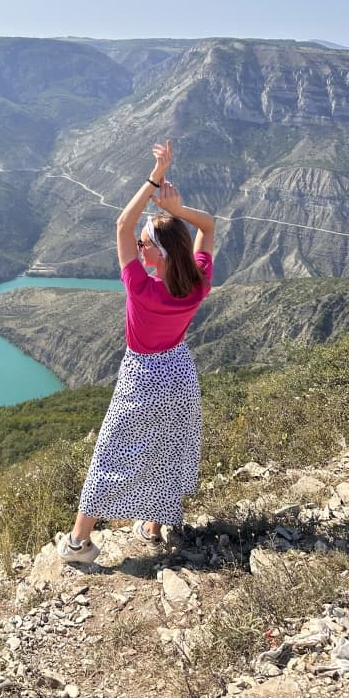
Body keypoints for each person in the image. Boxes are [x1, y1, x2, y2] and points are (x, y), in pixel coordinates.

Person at [56, 139, 215, 563]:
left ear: (156, 256)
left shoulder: (142, 289)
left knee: (112, 452)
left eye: (145, 244)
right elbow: (209, 227)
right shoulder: (197, 281)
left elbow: (121, 226)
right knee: (168, 447)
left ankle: (78, 543)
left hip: (143, 376)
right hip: (180, 373)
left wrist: (155, 177)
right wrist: (178, 212)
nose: (138, 246)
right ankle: (152, 526)